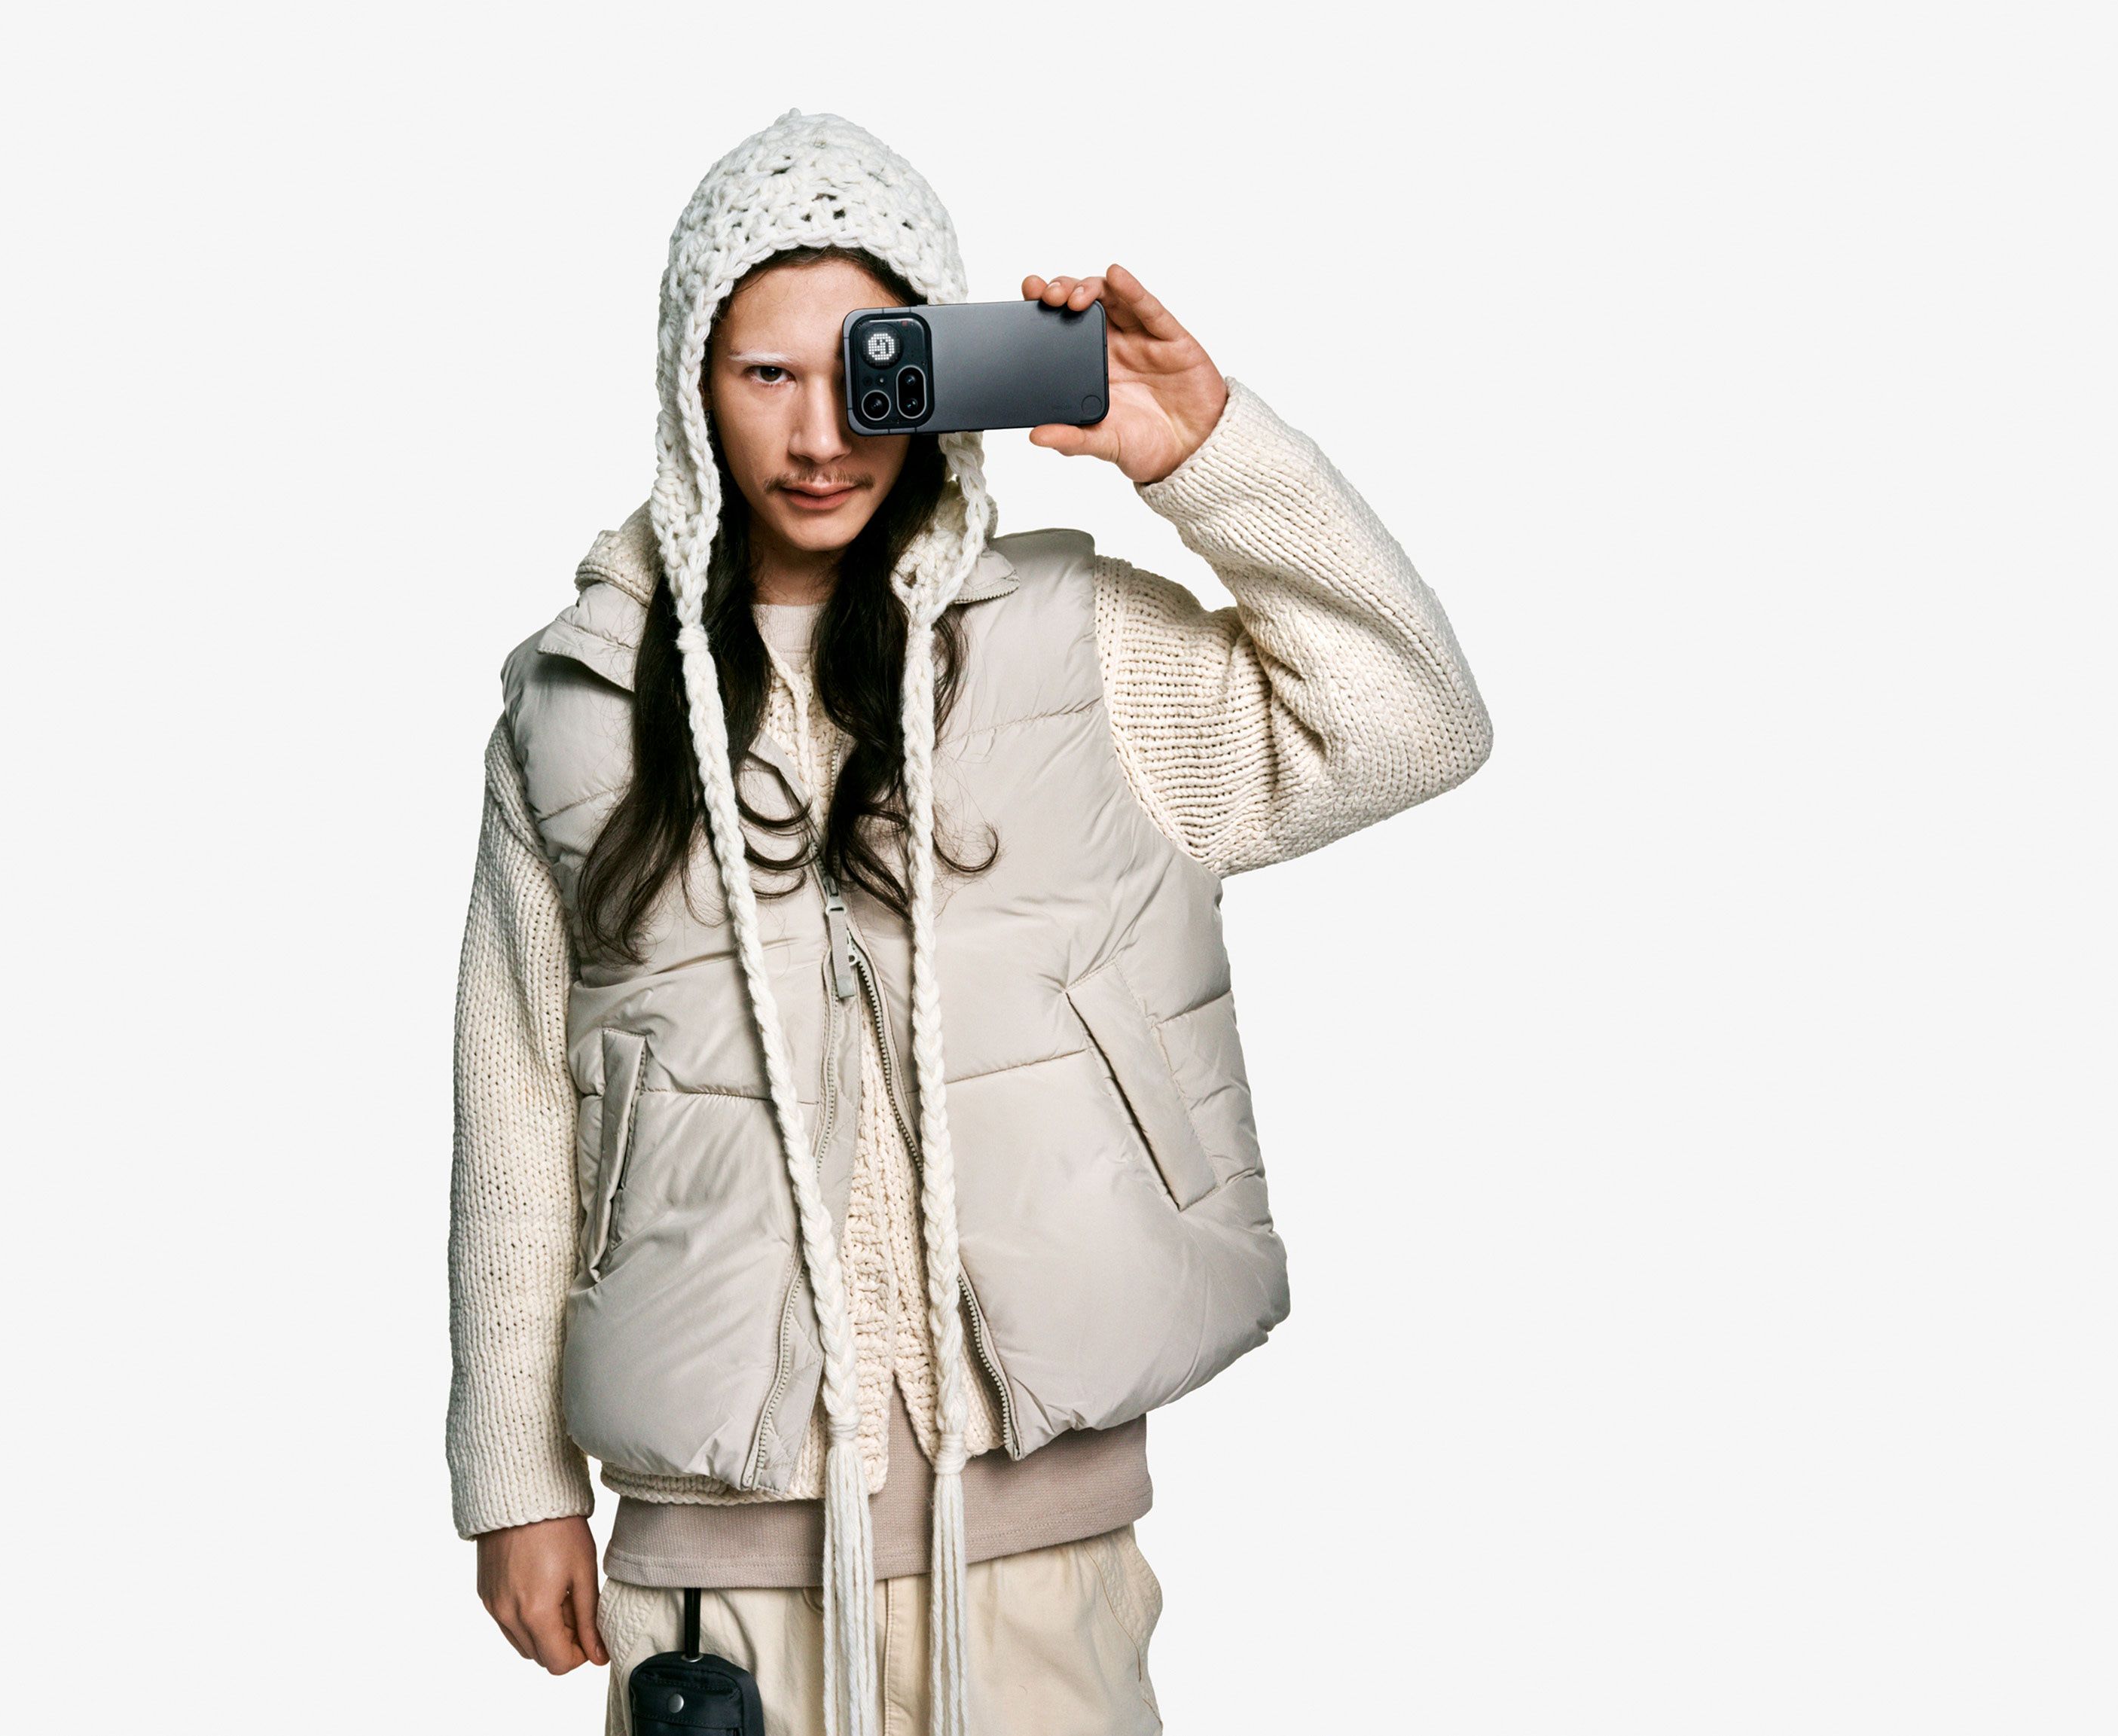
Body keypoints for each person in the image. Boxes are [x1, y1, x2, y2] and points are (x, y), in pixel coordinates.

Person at [447, 111, 1495, 1736]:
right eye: (764, 373)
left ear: (936, 376)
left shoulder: (1078, 651)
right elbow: (516, 1095)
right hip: (710, 1589)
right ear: (688, 386)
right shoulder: (580, 705)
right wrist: (514, 1477)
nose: (819, 434)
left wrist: (1201, 456)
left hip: (1035, 1565)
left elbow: (1410, 721)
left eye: (866, 370)